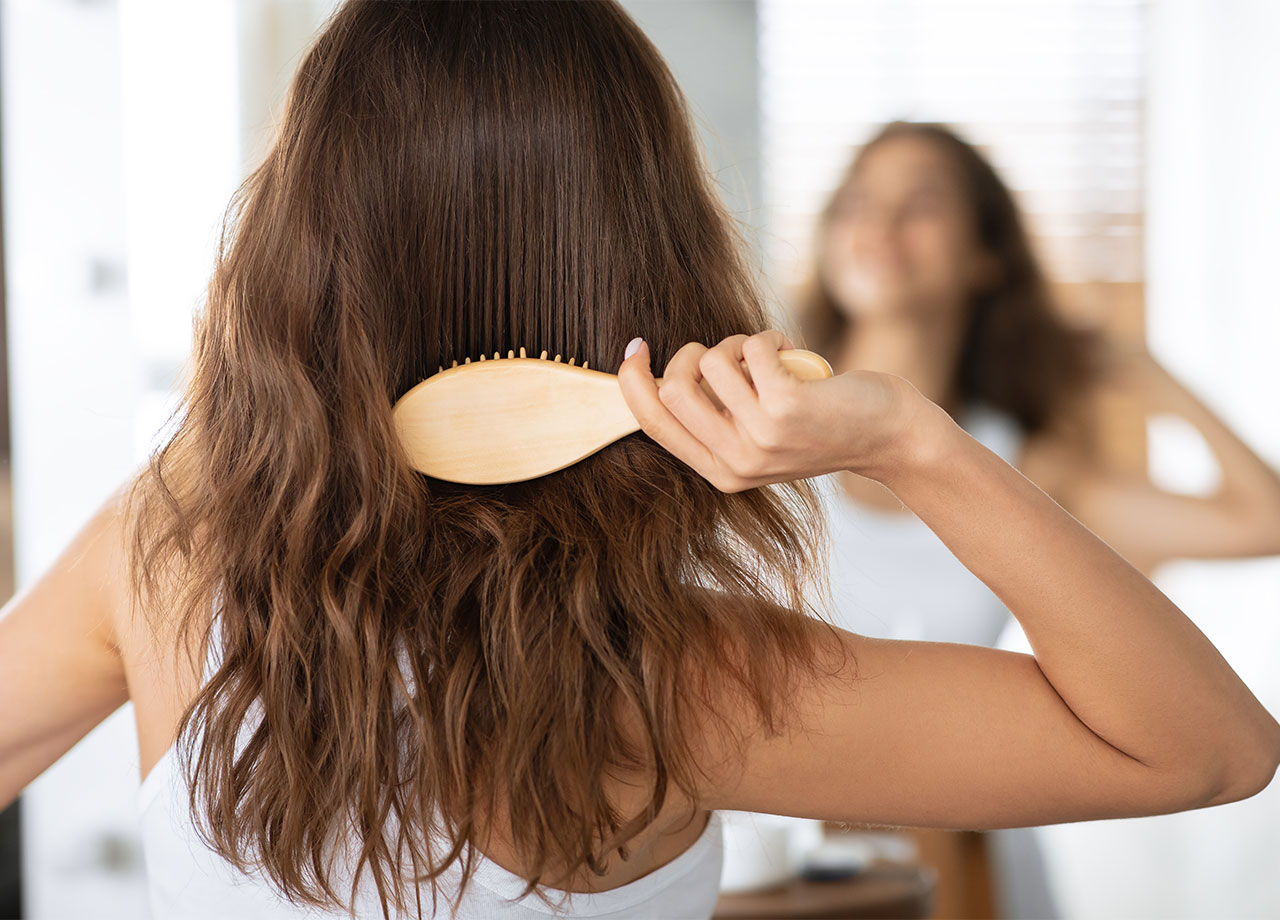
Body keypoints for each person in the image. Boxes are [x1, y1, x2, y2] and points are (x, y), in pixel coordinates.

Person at [0, 4, 1277, 920]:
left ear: (298, 241)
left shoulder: (160, 539)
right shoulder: (658, 679)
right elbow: (1208, 749)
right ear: (645, 262)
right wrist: (909, 441)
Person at [788, 120, 1280, 915]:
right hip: (777, 860)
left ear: (985, 256)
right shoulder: (757, 427)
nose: (878, 226)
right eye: (855, 203)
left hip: (966, 868)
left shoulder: (1025, 466)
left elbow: (1264, 520)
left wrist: (1144, 370)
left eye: (921, 204)